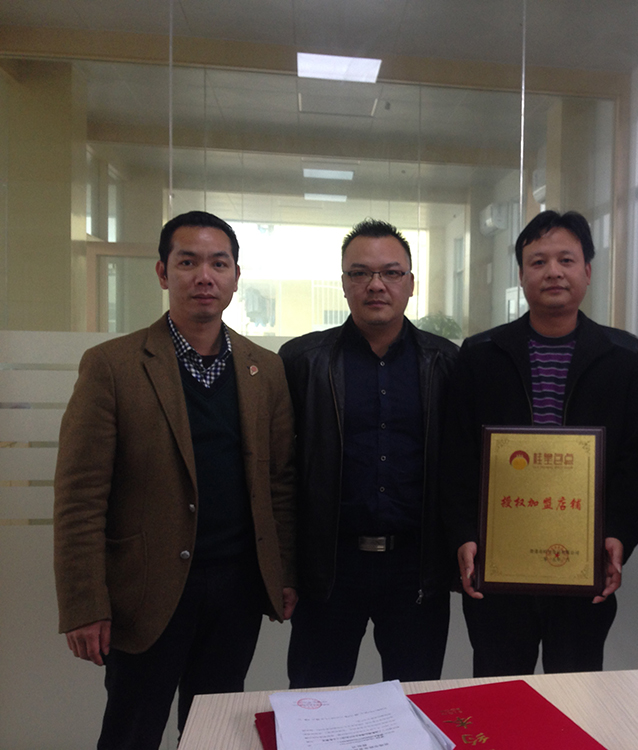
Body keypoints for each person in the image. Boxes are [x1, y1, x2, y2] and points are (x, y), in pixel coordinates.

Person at [53, 211, 297, 749]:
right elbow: (79, 497)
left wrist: (282, 572)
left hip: (236, 589)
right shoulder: (112, 366)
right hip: (146, 591)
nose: (204, 276)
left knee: (213, 734)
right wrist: (84, 603)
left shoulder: (265, 369)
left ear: (236, 276)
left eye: (219, 264)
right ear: (164, 273)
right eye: (188, 262)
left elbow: (278, 483)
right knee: (131, 732)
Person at [443, 209, 638, 677]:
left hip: (584, 563)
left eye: (566, 259)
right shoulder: (481, 355)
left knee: (576, 693)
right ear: (521, 275)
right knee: (500, 691)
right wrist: (464, 534)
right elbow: (457, 455)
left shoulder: (624, 356)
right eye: (538, 261)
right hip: (500, 565)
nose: (553, 272)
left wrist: (618, 534)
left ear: (587, 271)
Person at [279, 218, 458, 688]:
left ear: (411, 283)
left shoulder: (446, 363)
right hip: (330, 568)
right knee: (316, 703)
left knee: (415, 701)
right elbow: (281, 471)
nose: (376, 285)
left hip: (415, 569)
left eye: (391, 273)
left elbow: (464, 468)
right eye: (360, 273)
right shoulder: (302, 361)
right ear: (343, 284)